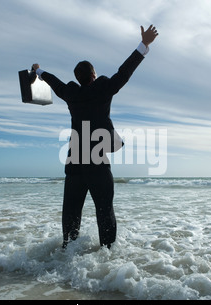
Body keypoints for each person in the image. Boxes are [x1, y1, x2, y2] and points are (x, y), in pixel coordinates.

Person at [32, 25, 158, 249]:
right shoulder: (103, 88)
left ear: (78, 78)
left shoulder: (71, 93)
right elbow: (124, 72)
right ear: (93, 75)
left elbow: (55, 82)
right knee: (104, 209)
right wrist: (143, 46)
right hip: (96, 161)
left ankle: (67, 253)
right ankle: (106, 257)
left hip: (74, 162)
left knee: (71, 211)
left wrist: (39, 71)